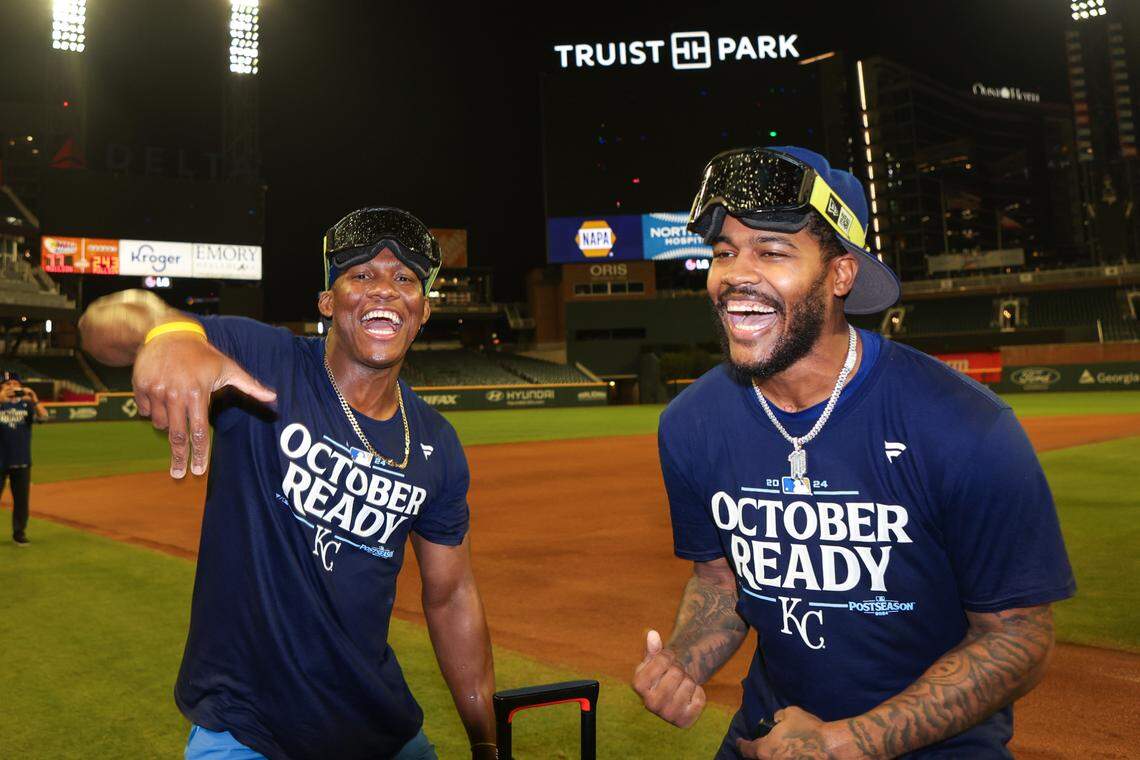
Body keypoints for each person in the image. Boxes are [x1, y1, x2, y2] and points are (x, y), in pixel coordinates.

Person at [633, 146, 1075, 759]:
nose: (736, 274)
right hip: (769, 738)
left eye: (772, 251)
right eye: (724, 251)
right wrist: (684, 659)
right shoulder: (691, 423)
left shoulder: (964, 425)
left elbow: (1020, 638)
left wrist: (848, 743)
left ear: (841, 275)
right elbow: (720, 582)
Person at [80, 208, 498, 760]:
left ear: (421, 312)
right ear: (328, 302)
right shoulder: (264, 362)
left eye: (405, 280)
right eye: (363, 275)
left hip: (383, 731)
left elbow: (451, 597)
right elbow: (102, 325)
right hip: (246, 732)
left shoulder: (436, 443)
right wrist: (169, 333)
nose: (387, 291)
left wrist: (487, 741)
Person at [0, 372, 48, 546]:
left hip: (21, 460)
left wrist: (34, 398)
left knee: (21, 502)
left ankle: (19, 533)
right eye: (7, 384)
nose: (11, 387)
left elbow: (44, 417)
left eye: (14, 383)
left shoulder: (26, 405)